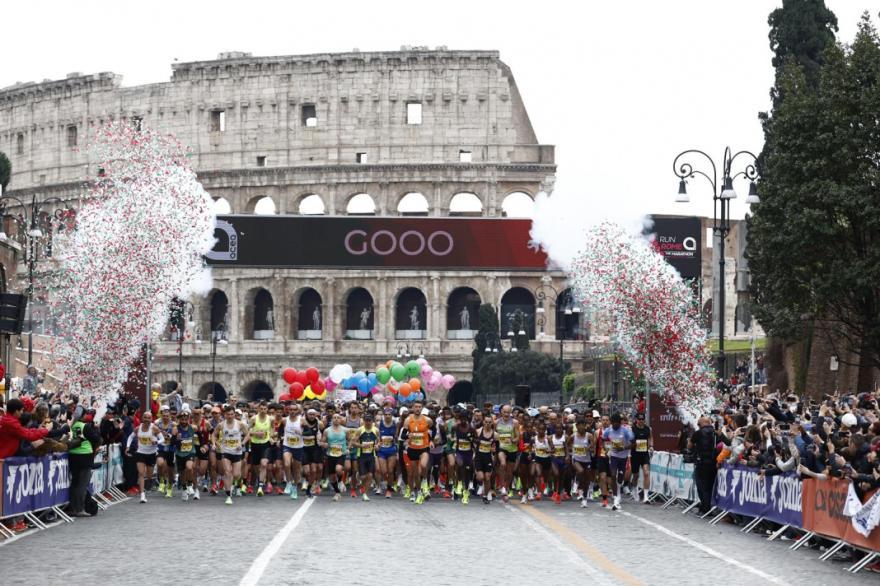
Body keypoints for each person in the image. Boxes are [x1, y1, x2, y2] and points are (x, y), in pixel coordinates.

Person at [68, 407, 101, 517]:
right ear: (82, 416)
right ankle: (80, 509)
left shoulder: (72, 425)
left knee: (74, 483)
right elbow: (96, 438)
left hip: (73, 455)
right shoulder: (85, 426)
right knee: (82, 484)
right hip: (85, 456)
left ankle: (73, 508)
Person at [215, 404, 250, 505]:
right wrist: (216, 444)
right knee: (227, 472)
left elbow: (248, 434)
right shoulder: (221, 425)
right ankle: (228, 495)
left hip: (237, 452)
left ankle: (235, 483)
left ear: (234, 414)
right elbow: (214, 435)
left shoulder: (240, 424)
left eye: (232, 414)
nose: (230, 416)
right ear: (225, 415)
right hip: (225, 451)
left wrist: (242, 443)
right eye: (228, 414)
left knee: (236, 474)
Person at [602, 412, 634, 511]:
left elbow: (634, 444)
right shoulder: (608, 430)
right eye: (613, 423)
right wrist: (606, 449)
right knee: (612, 474)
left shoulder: (626, 431)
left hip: (623, 457)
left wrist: (624, 448)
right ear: (611, 423)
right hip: (614, 456)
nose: (615, 425)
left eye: (617, 423)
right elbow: (603, 440)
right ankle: (616, 498)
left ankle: (619, 489)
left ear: (620, 423)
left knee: (620, 478)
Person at [403, 401, 432, 504]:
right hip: (412, 448)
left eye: (419, 407)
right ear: (413, 408)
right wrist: (407, 436)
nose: (418, 409)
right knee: (415, 474)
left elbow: (433, 431)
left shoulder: (428, 420)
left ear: (422, 408)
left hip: (424, 447)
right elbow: (403, 435)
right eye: (416, 407)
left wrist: (431, 440)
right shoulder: (407, 420)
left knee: (424, 466)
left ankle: (425, 481)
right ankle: (419, 493)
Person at [130, 410, 162, 503]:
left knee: (149, 476)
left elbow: (162, 439)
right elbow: (130, 437)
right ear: (142, 418)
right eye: (145, 417)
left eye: (149, 418)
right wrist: (128, 446)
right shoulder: (138, 428)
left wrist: (156, 442)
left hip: (151, 454)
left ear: (151, 419)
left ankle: (149, 482)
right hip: (140, 453)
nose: (147, 419)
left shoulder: (154, 428)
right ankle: (142, 495)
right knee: (140, 473)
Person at [689, 416, 718, 514]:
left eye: (698, 423)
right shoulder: (716, 432)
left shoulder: (698, 433)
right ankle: (709, 507)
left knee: (702, 486)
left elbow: (689, 446)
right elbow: (726, 443)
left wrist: (690, 439)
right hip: (714, 464)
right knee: (710, 487)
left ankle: (705, 508)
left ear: (701, 423)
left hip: (702, 463)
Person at [248, 401, 274, 497]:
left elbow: (272, 428)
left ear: (267, 409)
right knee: (256, 468)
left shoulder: (270, 418)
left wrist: (270, 436)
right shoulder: (254, 418)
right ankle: (259, 481)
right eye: (261, 409)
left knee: (264, 464)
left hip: (265, 444)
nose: (263, 411)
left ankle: (260, 487)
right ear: (258, 409)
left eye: (265, 409)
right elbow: (247, 431)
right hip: (255, 445)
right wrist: (255, 434)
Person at [321, 413, 348, 502]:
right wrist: (324, 444)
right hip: (330, 454)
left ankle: (340, 481)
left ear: (341, 420)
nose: (336, 419)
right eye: (334, 418)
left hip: (341, 453)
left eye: (338, 418)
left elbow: (350, 439)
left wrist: (348, 448)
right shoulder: (327, 430)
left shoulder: (345, 430)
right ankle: (337, 493)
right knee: (332, 476)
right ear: (332, 419)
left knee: (338, 469)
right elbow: (322, 442)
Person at [174, 409, 200, 501]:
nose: (184, 421)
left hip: (190, 452)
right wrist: (176, 439)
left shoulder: (193, 428)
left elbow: (199, 436)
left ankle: (192, 485)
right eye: (182, 419)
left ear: (189, 419)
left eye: (186, 419)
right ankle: (184, 488)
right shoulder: (176, 429)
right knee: (182, 473)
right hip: (179, 453)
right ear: (179, 420)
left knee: (189, 467)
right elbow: (172, 443)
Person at [281, 403, 304, 499]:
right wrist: (280, 437)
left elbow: (310, 431)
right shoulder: (284, 420)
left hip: (298, 447)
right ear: (288, 410)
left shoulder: (302, 420)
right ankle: (288, 482)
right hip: (287, 445)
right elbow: (279, 431)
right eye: (291, 410)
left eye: (294, 410)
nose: (292, 411)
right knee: (286, 464)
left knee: (297, 469)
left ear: (298, 411)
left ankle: (294, 487)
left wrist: (302, 432)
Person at [630, 413, 653, 502]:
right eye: (639, 419)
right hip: (635, 454)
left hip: (644, 454)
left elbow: (650, 437)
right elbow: (629, 440)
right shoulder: (632, 429)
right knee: (636, 475)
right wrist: (634, 443)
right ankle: (635, 489)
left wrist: (651, 446)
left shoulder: (648, 429)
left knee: (646, 473)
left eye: (642, 419)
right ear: (636, 420)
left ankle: (646, 496)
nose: (641, 421)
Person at [355, 414, 378, 501]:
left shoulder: (376, 430)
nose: (368, 423)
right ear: (363, 421)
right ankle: (359, 476)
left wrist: (377, 446)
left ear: (372, 421)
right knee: (363, 477)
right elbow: (353, 442)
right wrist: (361, 446)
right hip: (361, 456)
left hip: (371, 456)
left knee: (370, 475)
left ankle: (365, 493)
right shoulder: (360, 430)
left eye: (369, 421)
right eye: (366, 421)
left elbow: (379, 442)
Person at [376, 407, 398, 498]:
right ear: (383, 415)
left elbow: (396, 437)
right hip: (382, 450)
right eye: (386, 414)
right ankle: (384, 483)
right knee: (384, 471)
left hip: (391, 449)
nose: (388, 416)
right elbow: (377, 436)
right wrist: (377, 444)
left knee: (390, 470)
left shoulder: (395, 423)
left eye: (389, 414)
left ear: (392, 415)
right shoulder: (379, 424)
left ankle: (389, 489)